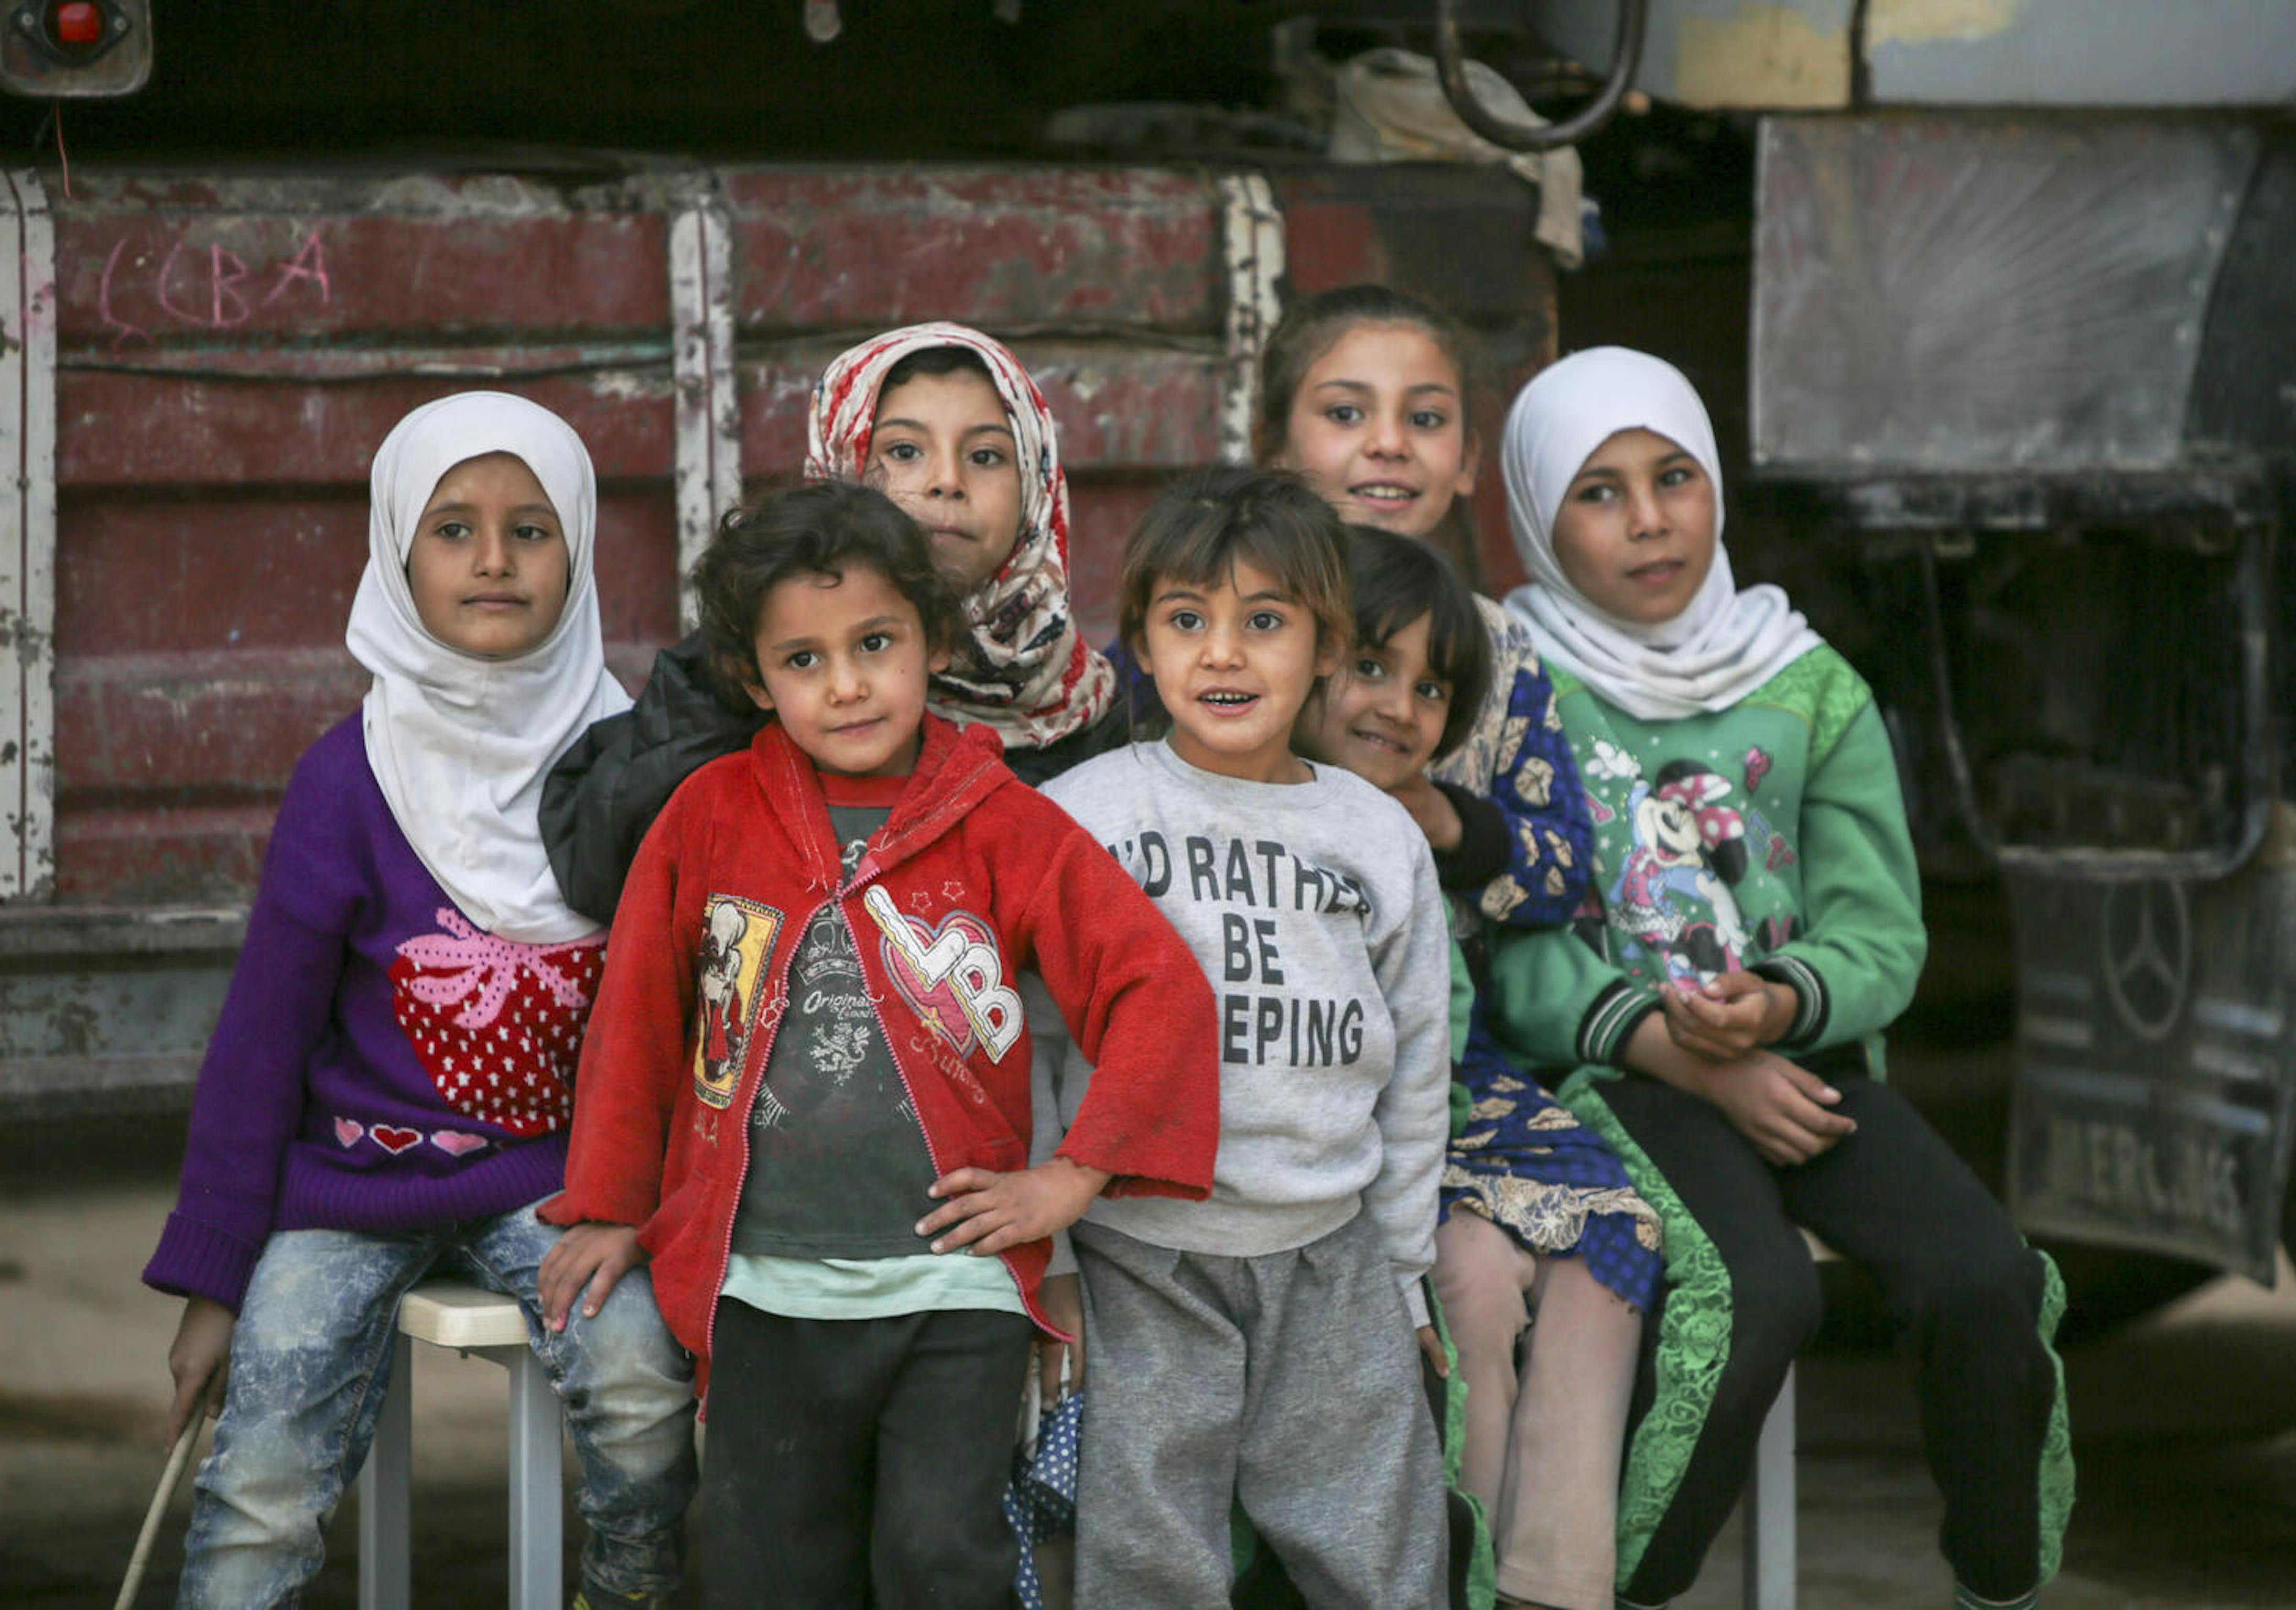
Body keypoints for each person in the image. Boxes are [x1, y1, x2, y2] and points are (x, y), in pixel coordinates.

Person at [534, 480, 1220, 1608]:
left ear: (933, 641)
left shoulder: (1003, 821)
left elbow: (1154, 986)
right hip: (764, 1282)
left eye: (875, 643)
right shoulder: (709, 813)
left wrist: (1071, 1176)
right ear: (754, 679)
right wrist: (609, 1202)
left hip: (954, 1285)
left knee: (938, 1559)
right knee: (770, 1570)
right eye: (802, 661)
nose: (846, 683)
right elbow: (641, 1017)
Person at [1486, 347, 2073, 1610]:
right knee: (1755, 1290)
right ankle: (1622, 1582)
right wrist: (1684, 1044)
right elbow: (1506, 940)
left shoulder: (1806, 685)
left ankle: (1998, 1573)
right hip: (1616, 1071)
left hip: (1798, 1060)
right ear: (1537, 516)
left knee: (1987, 1277)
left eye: (1674, 477)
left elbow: (1881, 930)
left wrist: (1777, 1006)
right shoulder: (1511, 683)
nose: (1649, 519)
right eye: (1598, 491)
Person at [140, 392, 698, 1610]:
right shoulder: (348, 775)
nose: (494, 559)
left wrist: (656, 1206)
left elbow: (682, 1012)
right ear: (398, 554)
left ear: (583, 549)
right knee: (266, 1452)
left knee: (645, 1382)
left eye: (531, 528)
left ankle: (635, 1587)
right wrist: (216, 1280)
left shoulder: (633, 765)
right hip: (351, 1176)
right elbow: (262, 1038)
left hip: (563, 1179)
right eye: (453, 527)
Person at [1037, 466, 1455, 1608]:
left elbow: (1418, 1062)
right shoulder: (1087, 820)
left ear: (1327, 646)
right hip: (1141, 1253)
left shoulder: (1373, 835)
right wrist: (1057, 1259)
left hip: (1332, 1256)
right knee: (1150, 1553)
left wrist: (1407, 1273)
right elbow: (1025, 1042)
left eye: (1264, 622)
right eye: (1188, 623)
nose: (1223, 655)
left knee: (1382, 1552)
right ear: (1143, 645)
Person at [1294, 526, 1664, 1610]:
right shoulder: (1240, 809)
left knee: (1612, 1243)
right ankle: (1463, 1578)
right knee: (1472, 1278)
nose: (1398, 708)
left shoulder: (1420, 833)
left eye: (1431, 690)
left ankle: (1554, 1585)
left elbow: (1448, 1024)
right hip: (1343, 1132)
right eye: (1370, 666)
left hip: (1454, 1095)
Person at [540, 321, 1123, 924]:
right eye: (903, 451)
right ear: (841, 463)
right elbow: (599, 865)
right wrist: (732, 700)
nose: (947, 481)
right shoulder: (746, 662)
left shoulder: (1085, 708)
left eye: (986, 456)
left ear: (1037, 481)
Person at [1110, 281, 1595, 935]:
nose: (1389, 443)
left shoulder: (1496, 643)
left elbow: (1564, 867)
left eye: (1425, 419)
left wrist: (1450, 826)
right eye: (1346, 414)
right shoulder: (1206, 619)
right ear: (1271, 447)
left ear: (1468, 461)